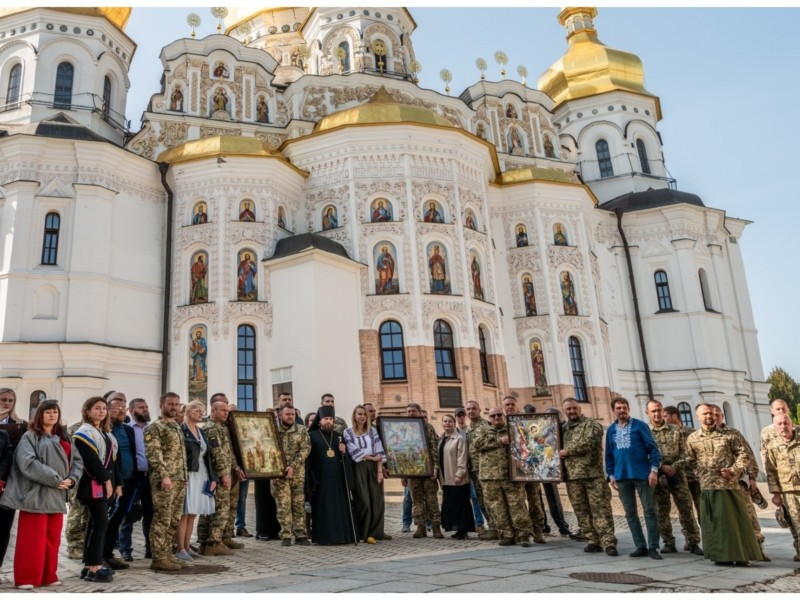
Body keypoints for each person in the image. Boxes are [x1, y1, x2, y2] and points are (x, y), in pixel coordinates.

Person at [0, 400, 82, 589]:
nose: (52, 415)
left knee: (52, 539)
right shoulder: (30, 437)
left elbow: (77, 461)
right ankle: (27, 578)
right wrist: (55, 479)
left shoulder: (65, 437)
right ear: (40, 415)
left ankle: (48, 575)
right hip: (36, 494)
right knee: (31, 540)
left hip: (58, 494)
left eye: (55, 412)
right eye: (48, 412)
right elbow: (27, 463)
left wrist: (72, 479)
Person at [685, 403, 761, 566]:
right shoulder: (693, 438)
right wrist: (701, 473)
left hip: (729, 486)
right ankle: (721, 556)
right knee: (714, 524)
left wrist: (733, 470)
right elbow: (690, 460)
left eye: (712, 413)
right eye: (705, 413)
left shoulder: (731, 434)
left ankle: (742, 556)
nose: (709, 416)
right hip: (707, 487)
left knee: (735, 523)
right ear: (697, 417)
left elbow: (744, 455)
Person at [605, 397, 662, 560]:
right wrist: (611, 475)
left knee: (649, 511)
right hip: (622, 477)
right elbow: (609, 455)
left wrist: (654, 470)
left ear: (628, 409)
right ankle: (640, 545)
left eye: (624, 407)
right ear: (613, 410)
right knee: (630, 513)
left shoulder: (640, 426)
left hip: (643, 475)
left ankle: (653, 546)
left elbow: (653, 449)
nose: (621, 410)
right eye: (618, 408)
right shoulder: (611, 430)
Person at [560, 398, 617, 555]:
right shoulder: (563, 429)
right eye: (568, 409)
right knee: (581, 511)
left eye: (574, 408)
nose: (572, 411)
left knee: (600, 510)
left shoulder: (592, 424)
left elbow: (590, 442)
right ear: (564, 411)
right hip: (573, 478)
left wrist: (568, 451)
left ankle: (609, 542)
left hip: (593, 476)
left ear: (579, 408)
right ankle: (593, 540)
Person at [74, 396, 122, 583]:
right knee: (101, 523)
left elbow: (113, 461)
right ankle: (95, 567)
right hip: (93, 485)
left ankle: (88, 566)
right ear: (87, 411)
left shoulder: (105, 433)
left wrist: (118, 484)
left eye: (104, 408)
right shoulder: (84, 433)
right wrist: (106, 481)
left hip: (107, 485)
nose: (101, 411)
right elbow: (91, 461)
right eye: (97, 408)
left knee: (96, 524)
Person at [645, 399, 702, 555]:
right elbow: (642, 455)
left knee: (686, 508)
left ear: (663, 411)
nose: (656, 414)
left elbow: (686, 452)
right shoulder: (645, 432)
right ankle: (668, 542)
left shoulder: (675, 430)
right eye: (653, 411)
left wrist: (674, 467)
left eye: (659, 410)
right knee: (661, 511)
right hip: (657, 475)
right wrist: (661, 467)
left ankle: (693, 541)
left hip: (677, 474)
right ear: (647, 413)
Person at [473, 407, 533, 547]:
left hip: (511, 475)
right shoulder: (482, 430)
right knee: (497, 507)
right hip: (490, 476)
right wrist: (500, 440)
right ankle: (507, 534)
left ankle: (523, 534)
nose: (496, 418)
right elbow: (477, 444)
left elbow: (526, 445)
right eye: (493, 416)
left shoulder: (514, 429)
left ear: (504, 416)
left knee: (517, 505)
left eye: (499, 415)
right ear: (489, 418)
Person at [144, 392, 188, 572]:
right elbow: (154, 454)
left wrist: (184, 478)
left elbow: (180, 455)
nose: (174, 407)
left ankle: (168, 553)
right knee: (162, 518)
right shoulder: (155, 427)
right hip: (165, 480)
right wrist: (164, 475)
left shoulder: (176, 426)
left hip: (179, 479)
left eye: (177, 404)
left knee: (174, 519)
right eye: (170, 404)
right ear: (162, 406)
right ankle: (159, 557)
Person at [198, 396, 242, 555]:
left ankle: (209, 541)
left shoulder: (221, 427)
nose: (226, 413)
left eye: (227, 411)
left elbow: (228, 453)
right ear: (213, 410)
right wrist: (224, 474)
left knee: (218, 507)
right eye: (223, 410)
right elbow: (216, 453)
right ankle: (213, 543)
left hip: (225, 473)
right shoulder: (211, 428)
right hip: (216, 475)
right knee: (219, 508)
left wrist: (236, 468)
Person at [307, 406, 356, 545]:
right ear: (319, 421)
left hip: (338, 481)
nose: (328, 422)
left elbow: (346, 460)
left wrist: (344, 452)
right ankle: (324, 538)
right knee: (324, 510)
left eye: (330, 419)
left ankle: (342, 537)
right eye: (325, 419)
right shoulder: (312, 436)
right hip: (321, 481)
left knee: (339, 509)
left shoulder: (338, 437)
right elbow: (309, 461)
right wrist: (313, 480)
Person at [502, 396, 545, 542]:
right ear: (503, 407)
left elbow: (538, 442)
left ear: (517, 406)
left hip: (531, 468)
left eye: (512, 404)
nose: (509, 407)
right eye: (507, 405)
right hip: (514, 471)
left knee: (535, 501)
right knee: (518, 503)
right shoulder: (501, 426)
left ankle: (538, 531)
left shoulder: (527, 423)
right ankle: (523, 533)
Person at [177, 401, 217, 561]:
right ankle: (180, 548)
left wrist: (212, 477)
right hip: (188, 473)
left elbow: (208, 456)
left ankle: (187, 546)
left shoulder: (201, 432)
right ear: (188, 411)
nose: (201, 413)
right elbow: (179, 456)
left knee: (193, 512)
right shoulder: (181, 430)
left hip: (202, 472)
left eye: (202, 411)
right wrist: (182, 475)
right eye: (198, 410)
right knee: (184, 512)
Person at [343, 405, 388, 544]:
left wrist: (380, 471)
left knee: (377, 500)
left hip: (374, 467)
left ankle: (375, 533)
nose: (362, 416)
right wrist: (372, 458)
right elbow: (353, 451)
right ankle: (362, 533)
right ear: (354, 416)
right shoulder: (348, 432)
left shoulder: (372, 431)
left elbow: (379, 451)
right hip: (359, 467)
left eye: (364, 414)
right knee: (363, 502)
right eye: (359, 414)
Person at [102, 393, 135, 571]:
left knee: (117, 519)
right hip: (112, 482)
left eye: (124, 407)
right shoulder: (105, 429)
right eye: (117, 407)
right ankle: (101, 555)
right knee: (106, 520)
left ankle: (108, 554)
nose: (122, 410)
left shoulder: (127, 429)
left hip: (128, 481)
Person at [118, 397, 153, 561]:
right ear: (131, 411)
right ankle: (125, 549)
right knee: (129, 513)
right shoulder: (127, 429)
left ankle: (150, 547)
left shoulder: (152, 429)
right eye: (141, 407)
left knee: (150, 513)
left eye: (146, 407)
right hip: (133, 477)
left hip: (150, 477)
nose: (145, 409)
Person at [272, 405, 311, 546]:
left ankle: (300, 534)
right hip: (279, 474)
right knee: (283, 505)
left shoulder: (301, 430)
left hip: (297, 474)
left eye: (293, 414)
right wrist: (275, 470)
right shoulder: (274, 431)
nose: (290, 417)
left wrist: (293, 466)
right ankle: (286, 535)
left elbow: (305, 449)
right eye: (287, 414)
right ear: (280, 415)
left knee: (298, 504)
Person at [403, 403, 442, 539]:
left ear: (419, 413)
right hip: (412, 471)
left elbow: (433, 448)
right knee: (416, 501)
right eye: (408, 411)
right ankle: (420, 527)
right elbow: (401, 451)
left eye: (413, 411)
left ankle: (436, 527)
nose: (410, 413)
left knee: (431, 499)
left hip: (427, 469)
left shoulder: (428, 427)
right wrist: (403, 474)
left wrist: (435, 467)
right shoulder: (404, 429)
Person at [764, 413, 800, 561]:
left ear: (791, 424)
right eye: (779, 424)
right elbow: (771, 471)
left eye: (786, 423)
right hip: (788, 490)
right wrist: (775, 493)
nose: (783, 426)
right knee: (795, 522)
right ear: (775, 427)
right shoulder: (772, 446)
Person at [0, 388, 26, 575]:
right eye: (3, 399)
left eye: (10, 400)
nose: (7, 403)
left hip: (9, 483)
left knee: (2, 529)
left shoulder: (21, 425)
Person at [438, 415, 474, 540]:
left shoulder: (459, 438)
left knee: (461, 505)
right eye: (445, 421)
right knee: (451, 505)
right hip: (446, 479)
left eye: (450, 421)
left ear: (454, 423)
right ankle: (456, 528)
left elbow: (462, 458)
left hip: (458, 478)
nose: (447, 423)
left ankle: (463, 530)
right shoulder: (441, 439)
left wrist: (459, 474)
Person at [663, 405, 701, 521]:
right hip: (678, 476)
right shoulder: (667, 434)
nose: (663, 419)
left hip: (694, 476)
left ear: (674, 416)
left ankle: (707, 534)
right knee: (685, 510)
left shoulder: (692, 433)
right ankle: (691, 537)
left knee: (702, 507)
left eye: (665, 416)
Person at [465, 401, 492, 539]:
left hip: (486, 469)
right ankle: (492, 526)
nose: (471, 411)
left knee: (490, 499)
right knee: (481, 499)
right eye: (468, 409)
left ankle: (497, 527)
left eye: (473, 408)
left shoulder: (486, 425)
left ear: (479, 409)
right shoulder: (469, 428)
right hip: (474, 470)